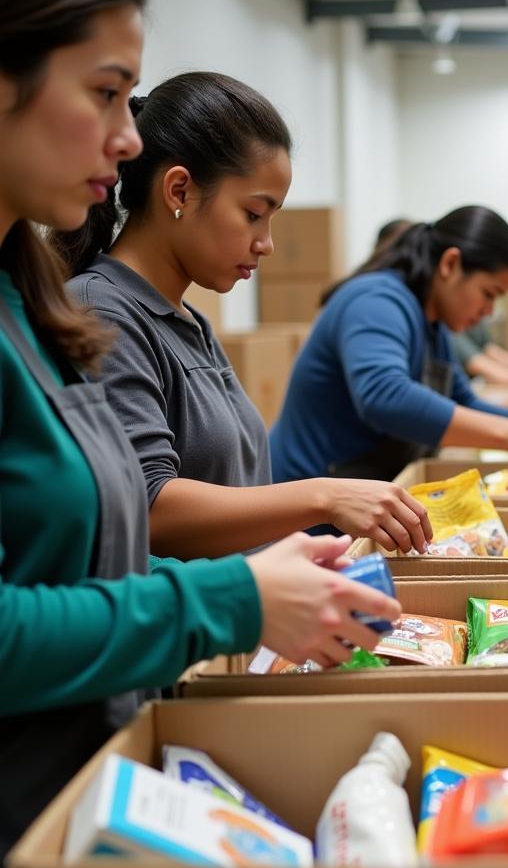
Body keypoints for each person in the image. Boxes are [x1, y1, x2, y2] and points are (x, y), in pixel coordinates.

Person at [0, 0, 400, 868]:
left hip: (86, 782)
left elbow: (99, 540)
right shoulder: (97, 306)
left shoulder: (39, 302)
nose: (126, 135)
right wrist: (230, 595)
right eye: (105, 93)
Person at [55, 72, 431, 558]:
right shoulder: (102, 311)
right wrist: (325, 496)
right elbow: (147, 507)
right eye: (254, 214)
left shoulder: (186, 320)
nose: (267, 243)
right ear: (179, 191)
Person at [269, 206, 508, 485]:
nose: (489, 311)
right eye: (488, 293)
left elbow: (461, 400)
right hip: (309, 505)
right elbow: (384, 395)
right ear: (450, 264)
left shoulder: (433, 325)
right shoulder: (376, 300)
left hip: (362, 490)